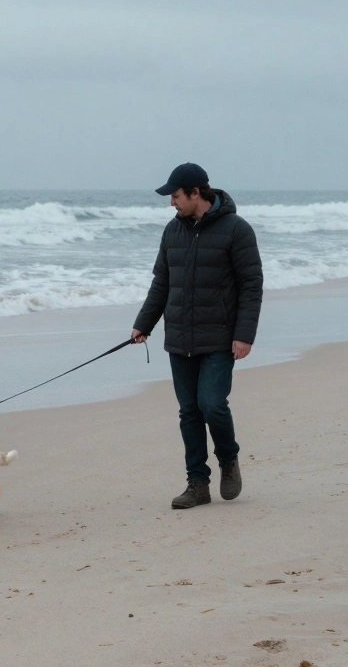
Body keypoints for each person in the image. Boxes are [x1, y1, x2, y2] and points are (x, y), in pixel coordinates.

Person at [131, 162, 263, 509]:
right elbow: (161, 283)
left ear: (195, 193)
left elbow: (251, 286)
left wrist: (244, 334)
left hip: (220, 337)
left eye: (175, 196)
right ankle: (197, 484)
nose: (171, 203)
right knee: (189, 411)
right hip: (179, 338)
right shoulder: (172, 233)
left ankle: (228, 459)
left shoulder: (237, 230)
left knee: (213, 405)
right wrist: (144, 323)